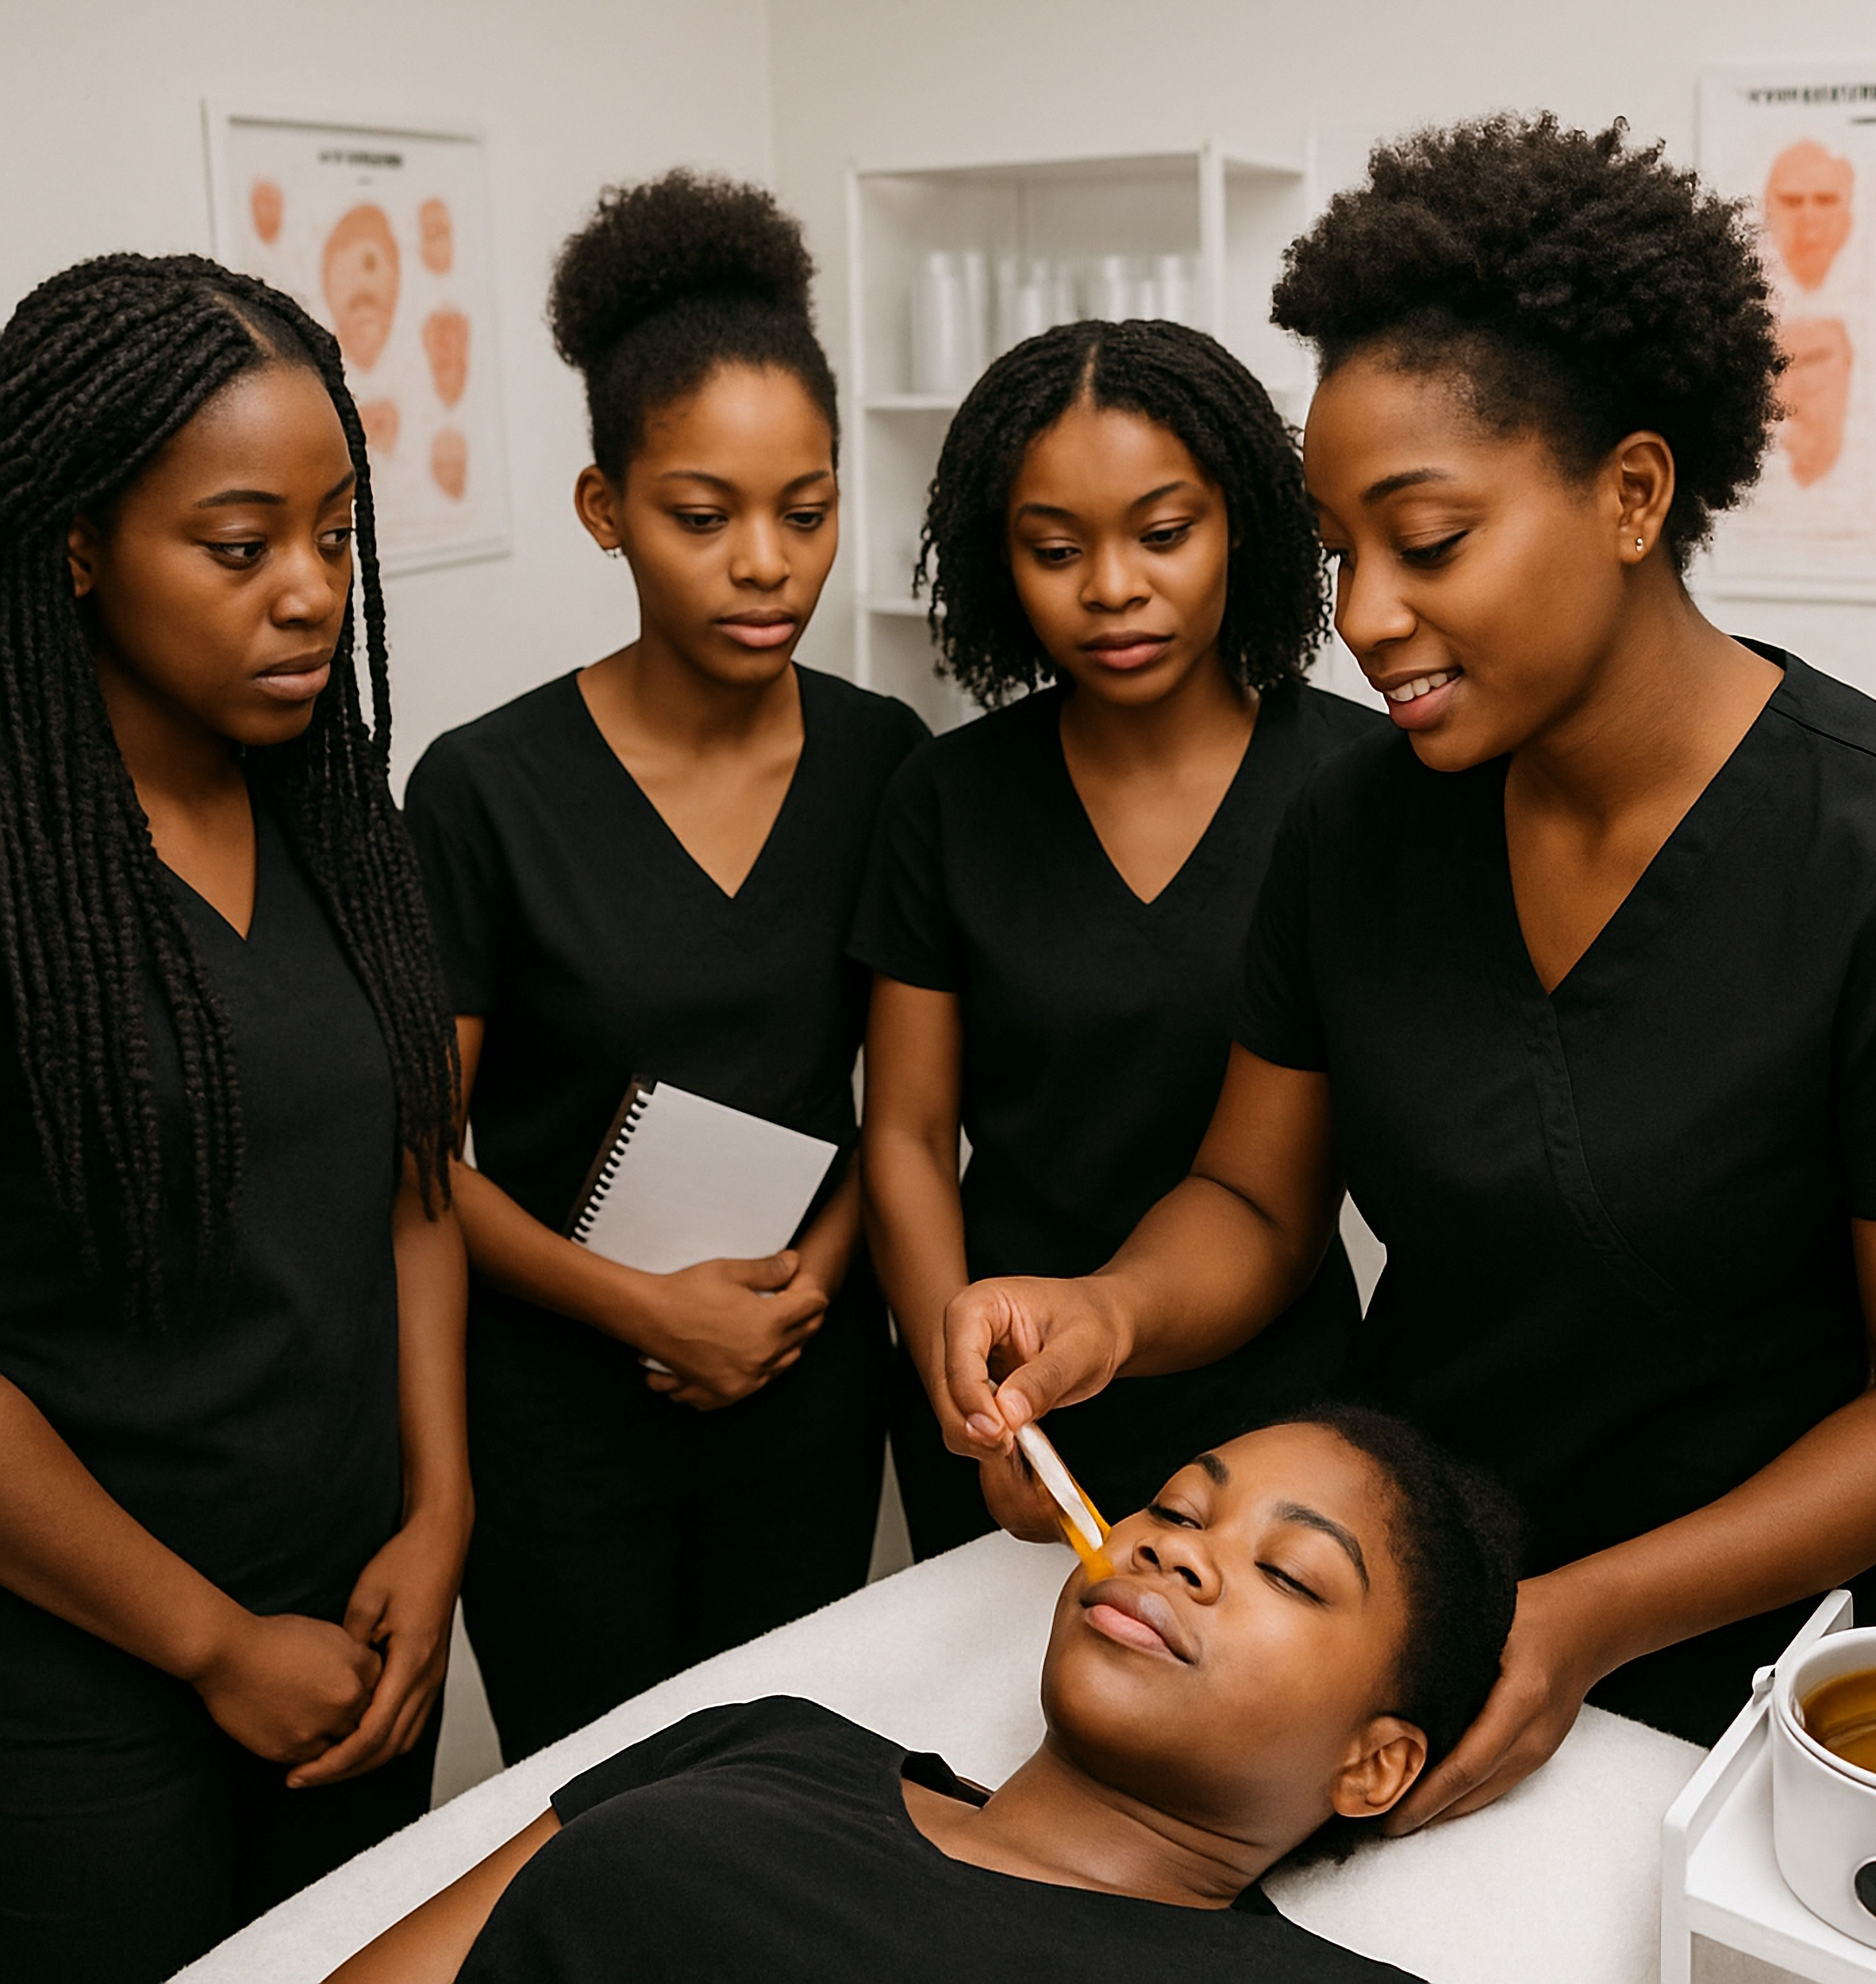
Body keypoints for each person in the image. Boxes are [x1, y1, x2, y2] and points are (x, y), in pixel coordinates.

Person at [937, 116, 1876, 1815]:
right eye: (1338, 545)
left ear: (1631, 493)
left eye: (1424, 542)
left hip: (1786, 1679)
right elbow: (1257, 1201)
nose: (1358, 612)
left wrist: (1584, 1619)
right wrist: (1102, 1311)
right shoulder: (1358, 831)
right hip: (1418, 1625)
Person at [404, 171, 927, 1765]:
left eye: (807, 508)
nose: (765, 563)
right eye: (703, 517)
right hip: (561, 1417)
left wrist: (813, 1287)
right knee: (599, 1807)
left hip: (800, 1386)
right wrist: (643, 1304)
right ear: (602, 508)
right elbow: (420, 1159)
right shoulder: (483, 789)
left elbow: (899, 1107)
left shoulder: (886, 762)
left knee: (777, 1794)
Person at [0, 255, 468, 1982]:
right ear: (75, 549)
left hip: (356, 1619)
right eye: (239, 543)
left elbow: (415, 1180)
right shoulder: (29, 875)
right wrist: (203, 1640)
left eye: (336, 536)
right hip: (88, 1674)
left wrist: (440, 1516)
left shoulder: (338, 827)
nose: (309, 596)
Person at [328, 1404, 1520, 1983]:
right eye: (1174, 1508)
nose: (1176, 1551)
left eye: (1288, 1572)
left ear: (1375, 1765)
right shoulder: (767, 1742)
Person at [856, 319, 1383, 1555]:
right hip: (1010, 1396)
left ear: (1241, 521)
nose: (1111, 588)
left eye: (1162, 534)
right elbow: (910, 1136)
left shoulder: (1365, 784)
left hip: (1285, 1401)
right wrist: (975, 1400)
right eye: (1055, 548)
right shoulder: (948, 799)